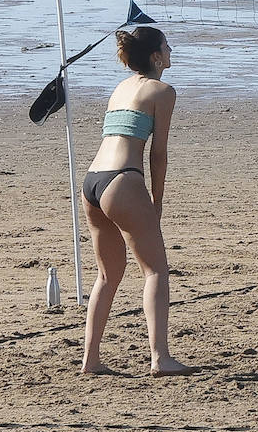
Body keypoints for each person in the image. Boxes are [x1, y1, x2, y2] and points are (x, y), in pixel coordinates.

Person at [80, 26, 192, 376]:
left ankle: (91, 361)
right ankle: (160, 358)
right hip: (123, 181)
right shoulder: (162, 90)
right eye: (166, 46)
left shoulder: (121, 88)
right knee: (155, 269)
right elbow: (158, 155)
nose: (171, 49)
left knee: (107, 276)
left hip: (92, 182)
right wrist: (157, 201)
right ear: (156, 56)